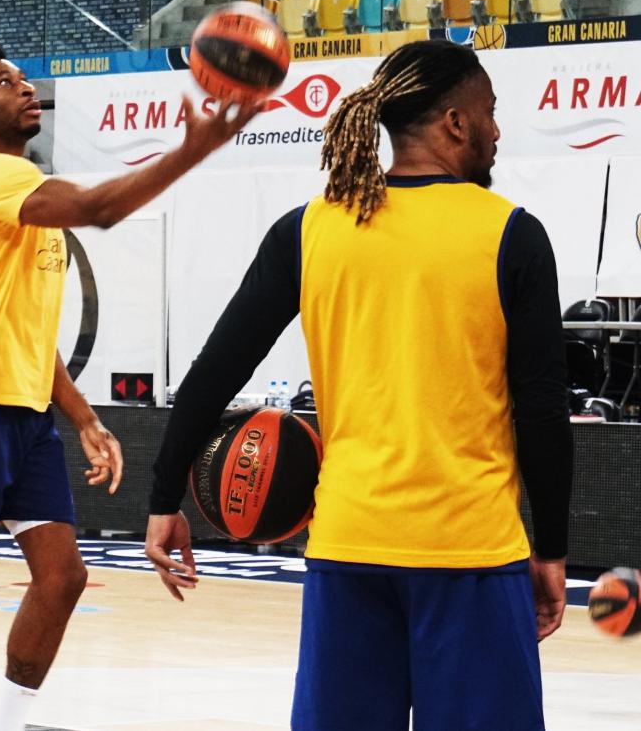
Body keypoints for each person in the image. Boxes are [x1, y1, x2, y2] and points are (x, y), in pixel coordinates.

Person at [144, 39, 573, 730]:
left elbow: (215, 372)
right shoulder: (513, 235)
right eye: (490, 113)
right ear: (456, 124)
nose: (498, 129)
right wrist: (551, 550)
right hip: (468, 553)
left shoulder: (309, 229)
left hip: (348, 550)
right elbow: (543, 415)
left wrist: (165, 496)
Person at [0, 44, 259, 731]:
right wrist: (196, 146)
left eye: (25, 77)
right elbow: (99, 206)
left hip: (25, 415)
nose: (26, 87)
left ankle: (7, 724)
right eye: (6, 83)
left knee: (62, 580)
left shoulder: (26, 191)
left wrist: (84, 417)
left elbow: (30, 333)